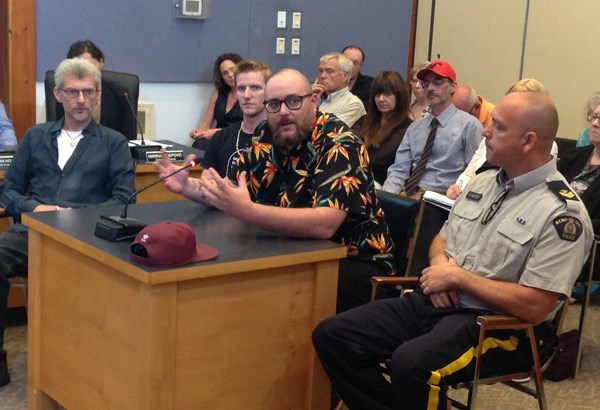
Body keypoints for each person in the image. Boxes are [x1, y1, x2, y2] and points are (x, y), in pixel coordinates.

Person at [312, 91, 593, 410]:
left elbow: (534, 306)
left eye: (497, 126)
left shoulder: (561, 213)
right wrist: (439, 268)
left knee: (412, 365)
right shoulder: (484, 182)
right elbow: (441, 239)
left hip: (502, 328)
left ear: (528, 140)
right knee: (334, 335)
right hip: (437, 302)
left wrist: (457, 279)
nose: (485, 129)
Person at [157, 68, 396, 314]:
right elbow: (229, 192)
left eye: (293, 101)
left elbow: (325, 224)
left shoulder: (341, 144)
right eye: (273, 104)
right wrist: (187, 186)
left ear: (313, 100)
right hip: (292, 251)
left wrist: (249, 211)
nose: (283, 112)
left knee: (253, 298)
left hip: (353, 263)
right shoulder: (266, 135)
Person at [0, 58, 136, 387]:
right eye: (72, 92)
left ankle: (84, 362)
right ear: (58, 95)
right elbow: (9, 191)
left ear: (98, 97)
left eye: (88, 92)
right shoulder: (34, 137)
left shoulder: (114, 142)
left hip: (87, 237)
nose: (80, 100)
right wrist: (37, 210)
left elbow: (124, 200)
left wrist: (73, 217)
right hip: (32, 232)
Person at [382, 60, 482, 197]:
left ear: (453, 87)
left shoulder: (469, 126)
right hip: (410, 195)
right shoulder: (415, 128)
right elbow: (399, 170)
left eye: (437, 82)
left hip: (443, 198)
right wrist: (384, 201)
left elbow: (475, 173)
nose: (430, 88)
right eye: (426, 84)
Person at [447, 78, 558, 200]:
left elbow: (515, 188)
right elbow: (469, 173)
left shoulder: (544, 147)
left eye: (499, 126)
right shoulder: (490, 140)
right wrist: (458, 187)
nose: (485, 132)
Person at [558, 99, 600, 296]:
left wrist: (571, 222)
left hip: (588, 243)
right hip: (551, 230)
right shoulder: (576, 155)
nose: (594, 123)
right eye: (594, 117)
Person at [202, 60, 271, 177]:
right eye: (241, 88)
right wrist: (185, 186)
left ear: (269, 91)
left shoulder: (281, 138)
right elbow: (206, 186)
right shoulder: (221, 138)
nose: (247, 95)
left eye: (255, 88)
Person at [58, 40, 138, 140]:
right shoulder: (65, 93)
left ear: (101, 62)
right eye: (80, 66)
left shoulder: (120, 94)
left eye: (90, 65)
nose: (86, 71)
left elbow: (128, 138)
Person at [357, 71, 412, 186]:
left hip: (382, 184)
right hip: (357, 176)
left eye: (387, 94)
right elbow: (348, 144)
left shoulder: (406, 127)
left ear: (399, 96)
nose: (381, 99)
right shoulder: (364, 120)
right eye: (377, 95)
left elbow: (378, 160)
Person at [190, 53, 244, 150]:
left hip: (239, 139)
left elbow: (249, 127)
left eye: (232, 69)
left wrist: (216, 132)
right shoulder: (217, 94)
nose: (230, 75)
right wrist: (198, 133)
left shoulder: (249, 94)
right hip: (218, 139)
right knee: (199, 144)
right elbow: (205, 124)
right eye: (225, 73)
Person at [313, 52, 366, 128]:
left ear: (344, 76)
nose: (322, 76)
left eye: (329, 71)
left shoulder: (353, 104)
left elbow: (331, 132)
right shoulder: (320, 99)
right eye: (321, 71)